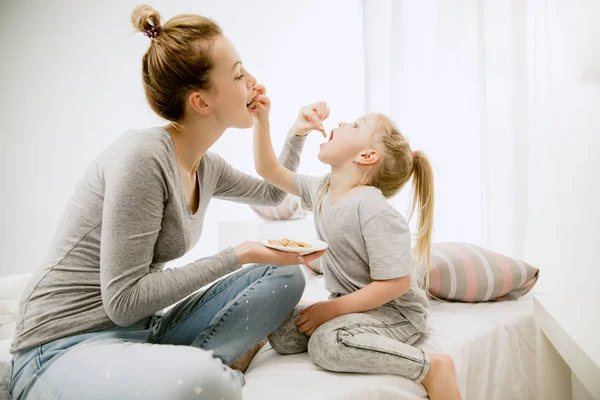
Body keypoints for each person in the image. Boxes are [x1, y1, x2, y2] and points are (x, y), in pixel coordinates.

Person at [8, 5, 326, 400]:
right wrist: (238, 254)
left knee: (284, 276)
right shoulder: (143, 157)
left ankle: (172, 365)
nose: (253, 82)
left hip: (141, 333)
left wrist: (285, 129)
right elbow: (123, 302)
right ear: (201, 101)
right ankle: (212, 371)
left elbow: (274, 193)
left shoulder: (205, 166)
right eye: (240, 74)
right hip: (61, 347)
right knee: (202, 383)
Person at [252, 97, 463, 399]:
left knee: (328, 342)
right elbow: (269, 170)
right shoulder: (323, 188)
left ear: (366, 155)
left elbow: (395, 284)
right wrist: (283, 127)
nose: (340, 123)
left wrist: (331, 310)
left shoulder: (373, 208)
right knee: (281, 331)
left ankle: (431, 367)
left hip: (395, 314)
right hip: (350, 305)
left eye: (354, 124)